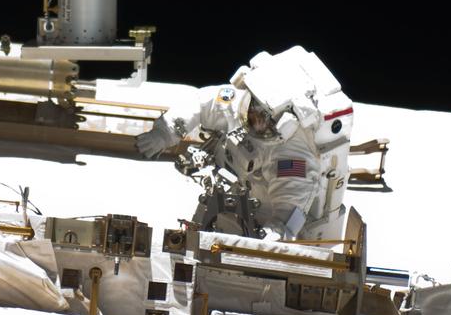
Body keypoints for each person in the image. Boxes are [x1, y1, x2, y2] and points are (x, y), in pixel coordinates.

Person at [137, 48, 335, 241]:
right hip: (221, 196)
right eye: (253, 109)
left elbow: (290, 202)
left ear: (284, 123)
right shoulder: (240, 102)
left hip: (257, 222)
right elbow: (199, 104)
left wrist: (272, 234)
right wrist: (164, 133)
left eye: (262, 118)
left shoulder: (292, 152)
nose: (253, 119)